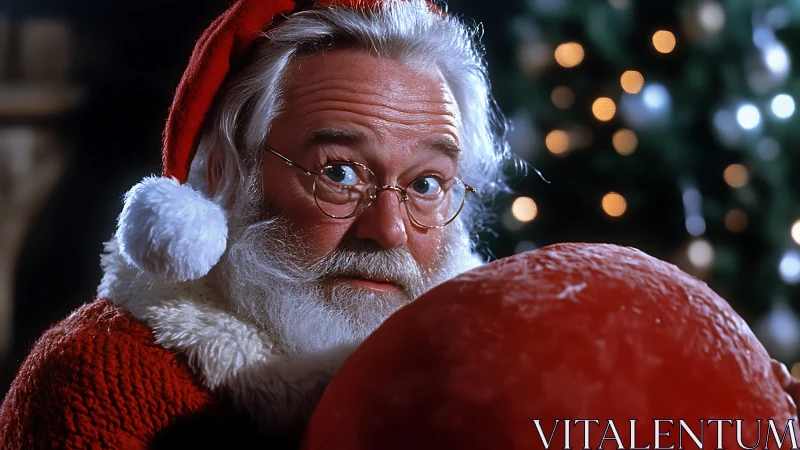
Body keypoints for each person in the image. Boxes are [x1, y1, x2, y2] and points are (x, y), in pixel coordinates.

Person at [0, 0, 510, 448]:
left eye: (426, 185)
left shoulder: (487, 376)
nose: (390, 230)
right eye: (339, 172)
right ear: (225, 173)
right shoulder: (100, 380)